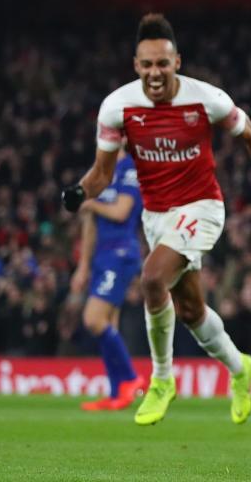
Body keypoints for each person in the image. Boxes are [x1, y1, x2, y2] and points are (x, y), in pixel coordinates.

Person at [61, 13, 251, 426]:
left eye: (162, 63)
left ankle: (162, 380)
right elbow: (102, 173)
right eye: (146, 65)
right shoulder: (117, 107)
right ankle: (240, 368)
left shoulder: (206, 99)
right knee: (192, 311)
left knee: (151, 278)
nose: (155, 72)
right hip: (157, 217)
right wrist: (80, 191)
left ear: (177, 61)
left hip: (201, 208)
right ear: (136, 65)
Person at [71, 146, 147, 411]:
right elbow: (89, 223)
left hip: (121, 252)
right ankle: (117, 394)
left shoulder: (131, 169)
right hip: (102, 257)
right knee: (108, 323)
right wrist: (83, 267)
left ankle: (130, 378)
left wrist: (90, 201)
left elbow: (121, 212)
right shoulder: (99, 172)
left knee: (93, 319)